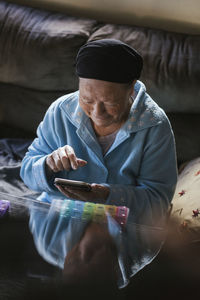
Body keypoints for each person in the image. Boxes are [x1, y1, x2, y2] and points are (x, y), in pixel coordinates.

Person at [20, 38, 177, 225]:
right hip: (58, 219)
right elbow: (27, 173)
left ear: (131, 88)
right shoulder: (60, 111)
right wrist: (48, 164)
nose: (97, 113)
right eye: (86, 100)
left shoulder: (154, 126)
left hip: (119, 227)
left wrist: (108, 195)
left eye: (110, 103)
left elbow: (158, 200)